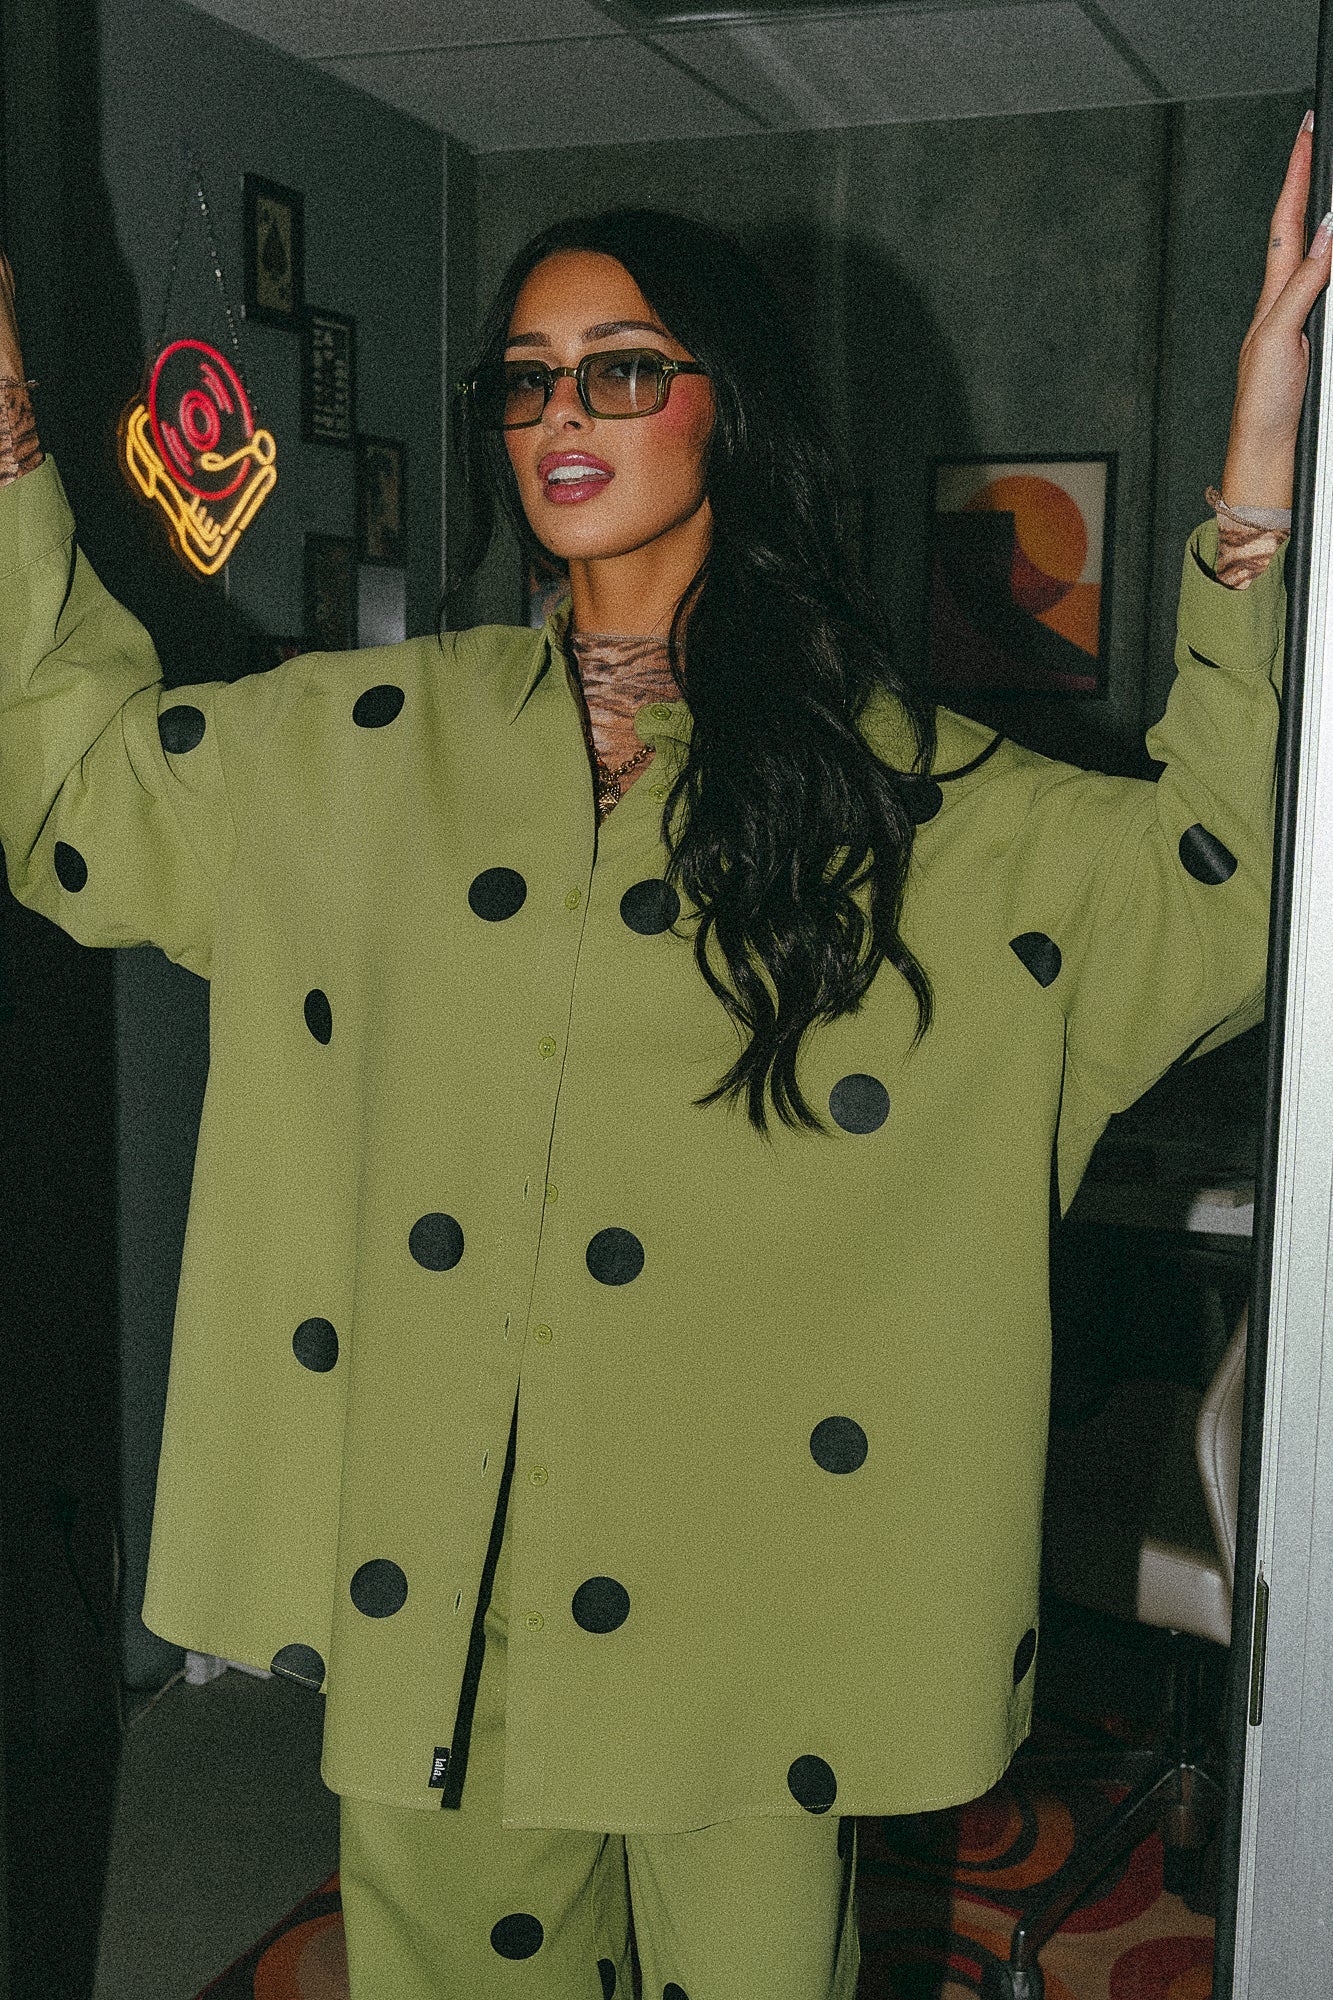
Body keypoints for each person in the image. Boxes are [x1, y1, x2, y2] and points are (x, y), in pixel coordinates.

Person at [0, 119, 1325, 2000]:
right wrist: (10, 452)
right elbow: (73, 790)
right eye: (530, 375)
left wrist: (1258, 492)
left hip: (748, 1571)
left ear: (731, 411)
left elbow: (1225, 885)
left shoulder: (902, 788)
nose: (566, 409)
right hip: (439, 1570)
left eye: (624, 367)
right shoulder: (367, 746)